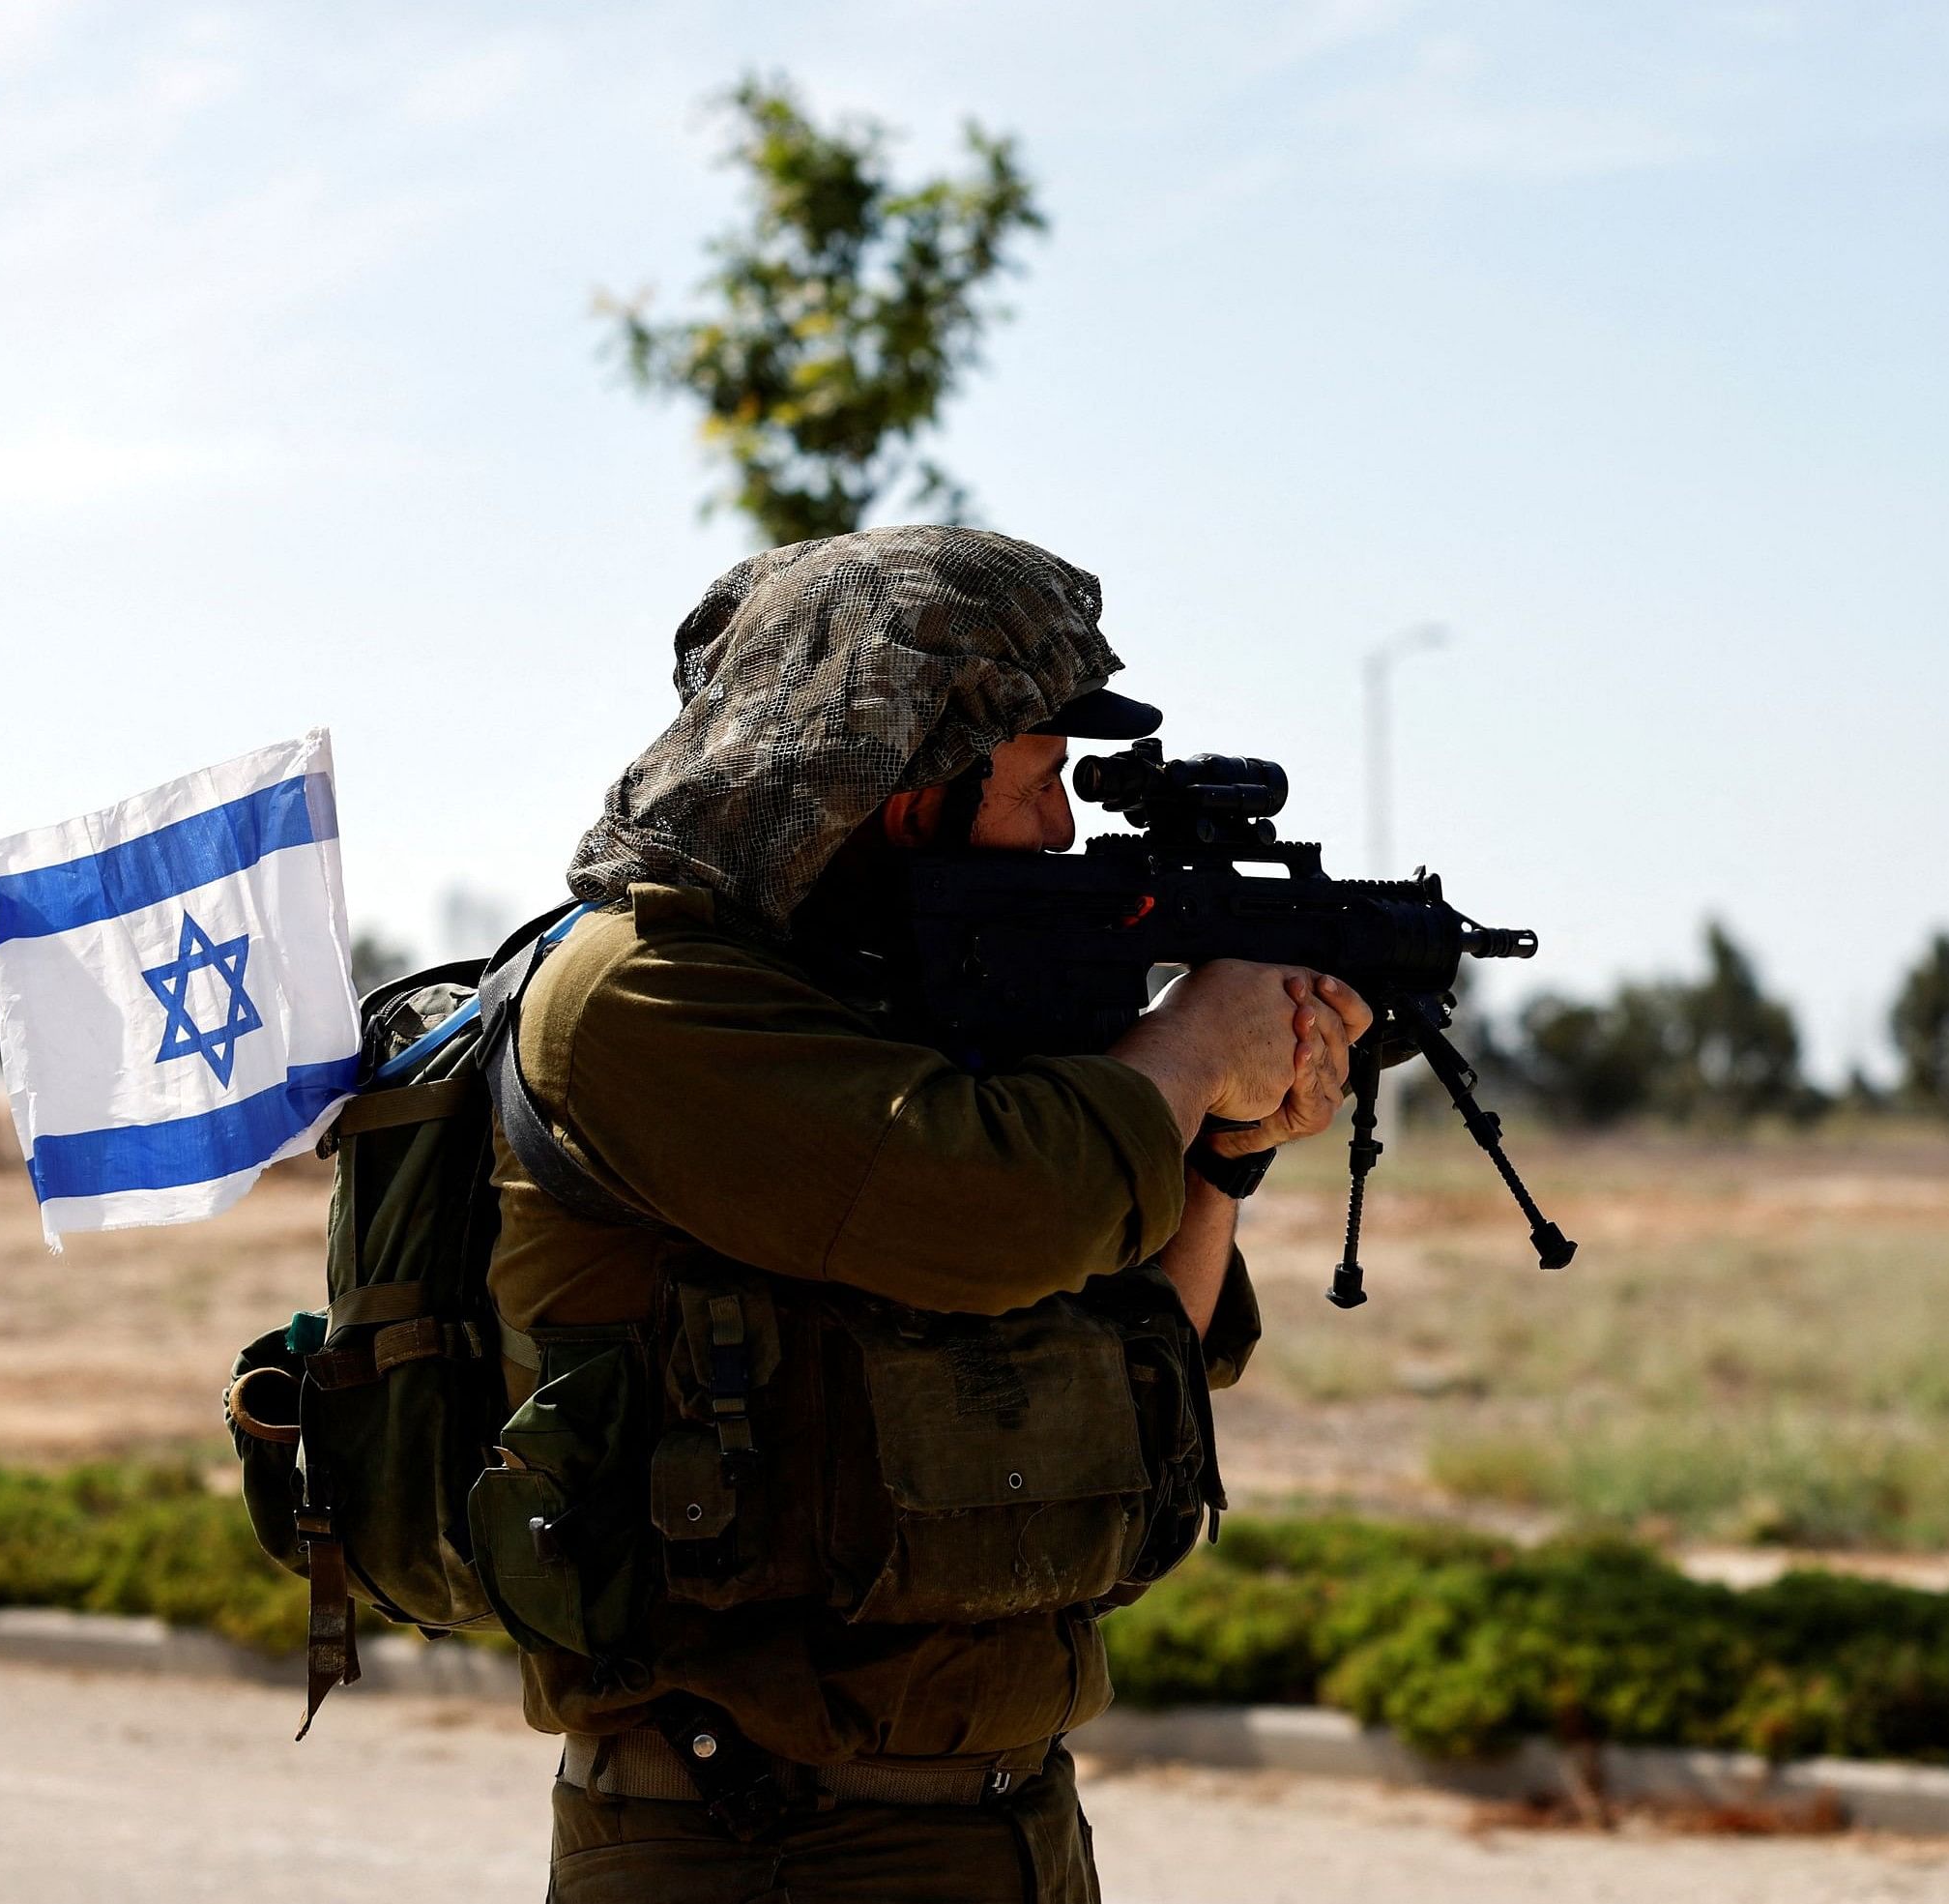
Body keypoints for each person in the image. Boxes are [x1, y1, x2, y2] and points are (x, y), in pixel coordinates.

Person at [485, 524, 1370, 1902]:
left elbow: (1145, 1360)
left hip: (1008, 1820)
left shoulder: (932, 1018)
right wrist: (1189, 1047)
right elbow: (996, 1210)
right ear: (907, 800)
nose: (1069, 831)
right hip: (755, 1844)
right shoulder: (642, 999)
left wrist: (1224, 1149)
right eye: (1041, 785)